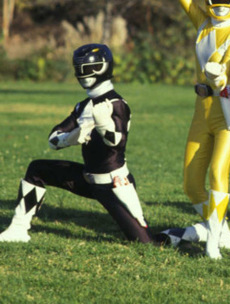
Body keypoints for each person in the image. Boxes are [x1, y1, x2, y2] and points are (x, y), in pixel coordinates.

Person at [0, 44, 153, 244]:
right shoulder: (84, 106)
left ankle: (197, 232)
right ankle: (18, 229)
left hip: (113, 184)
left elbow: (116, 141)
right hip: (87, 179)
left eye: (87, 68)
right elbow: (54, 139)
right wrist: (71, 137)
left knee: (146, 242)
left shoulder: (117, 104)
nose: (83, 74)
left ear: (103, 68)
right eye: (78, 69)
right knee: (37, 169)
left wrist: (102, 123)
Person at [158, 0, 230, 259]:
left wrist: (218, 74)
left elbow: (229, 70)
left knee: (218, 173)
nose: (220, 3)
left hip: (227, 111)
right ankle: (219, 231)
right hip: (201, 110)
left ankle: (212, 244)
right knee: (191, 183)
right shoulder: (203, 24)